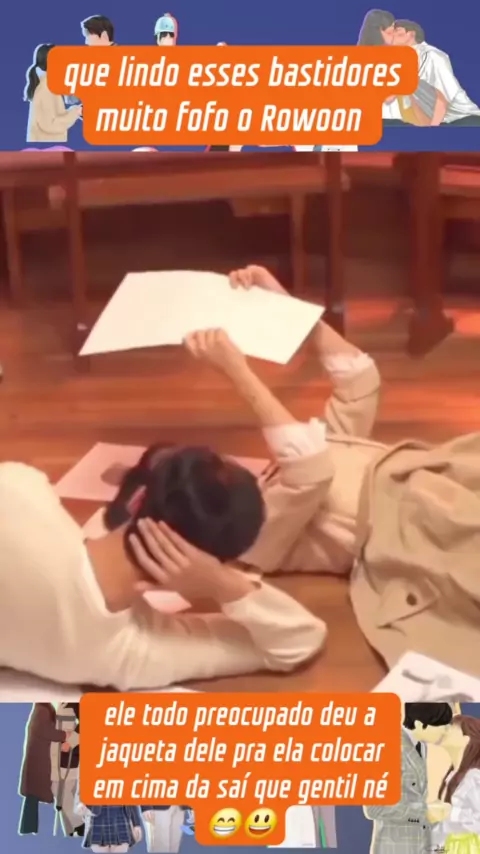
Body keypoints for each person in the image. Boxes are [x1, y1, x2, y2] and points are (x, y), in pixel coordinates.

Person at [136, 265, 480, 678]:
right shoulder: (254, 537)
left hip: (433, 476)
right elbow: (309, 467)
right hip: (419, 525)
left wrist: (289, 311)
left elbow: (358, 383)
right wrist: (236, 370)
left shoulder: (276, 483)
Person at [0, 410, 325, 688]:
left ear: (137, 498)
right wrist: (222, 584)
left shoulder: (19, 489)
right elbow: (298, 642)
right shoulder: (126, 655)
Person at [365, 703, 453, 853]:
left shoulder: (421, 746)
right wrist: (424, 812)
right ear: (419, 724)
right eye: (441, 725)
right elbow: (374, 808)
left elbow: (414, 797)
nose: (446, 730)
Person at [392, 20, 480, 126]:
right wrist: (427, 129)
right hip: (441, 124)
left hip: (465, 119)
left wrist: (433, 129)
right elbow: (415, 101)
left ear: (411, 34)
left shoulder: (432, 55)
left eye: (396, 30)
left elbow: (442, 96)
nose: (391, 34)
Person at [18, 703, 76, 834]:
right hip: (38, 761)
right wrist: (65, 735)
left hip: (38, 760)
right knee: (32, 798)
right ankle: (28, 829)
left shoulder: (43, 708)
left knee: (32, 799)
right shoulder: (43, 709)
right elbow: (46, 731)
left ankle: (28, 829)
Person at [432, 715, 480, 853]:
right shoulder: (451, 775)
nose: (445, 730)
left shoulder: (474, 777)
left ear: (467, 739)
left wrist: (449, 813)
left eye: (451, 728)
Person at [24, 44, 82, 143]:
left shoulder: (49, 85)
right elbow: (51, 125)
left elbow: (55, 117)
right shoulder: (46, 89)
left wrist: (76, 110)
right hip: (45, 148)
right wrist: (76, 112)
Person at [51, 703, 83, 837]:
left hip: (68, 755)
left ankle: (79, 826)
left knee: (63, 791)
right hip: (54, 754)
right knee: (61, 792)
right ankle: (71, 831)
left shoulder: (75, 702)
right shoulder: (55, 701)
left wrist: (71, 742)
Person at [75, 801, 142, 852]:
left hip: (120, 814)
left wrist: (136, 824)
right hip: (98, 816)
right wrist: (81, 804)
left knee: (120, 849)